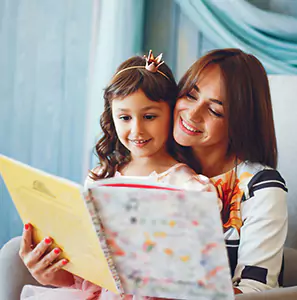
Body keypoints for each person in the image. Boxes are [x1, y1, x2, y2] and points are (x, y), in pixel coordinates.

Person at [19, 50, 215, 300]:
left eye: (149, 116)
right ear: (112, 117)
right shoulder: (100, 178)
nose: (136, 129)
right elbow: (83, 275)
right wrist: (47, 272)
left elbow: (200, 274)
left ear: (172, 114)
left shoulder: (191, 188)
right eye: (124, 117)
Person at [172, 48, 288, 294]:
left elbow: (256, 290)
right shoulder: (157, 168)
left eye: (215, 110)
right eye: (191, 96)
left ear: (240, 122)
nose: (192, 114)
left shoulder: (260, 187)